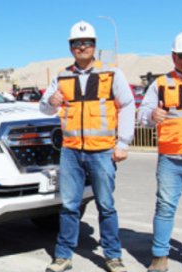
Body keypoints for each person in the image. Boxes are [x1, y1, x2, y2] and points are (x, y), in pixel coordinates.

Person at [39, 21, 135, 272]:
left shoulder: (111, 74)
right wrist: (52, 100)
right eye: (76, 44)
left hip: (102, 151)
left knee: (106, 205)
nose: (82, 47)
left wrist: (123, 143)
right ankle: (63, 256)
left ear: (94, 46)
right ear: (71, 47)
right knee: (69, 206)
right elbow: (44, 108)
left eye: (86, 43)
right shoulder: (62, 76)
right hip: (71, 151)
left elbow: (127, 106)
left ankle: (113, 256)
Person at [138, 31, 182, 272]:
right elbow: (142, 114)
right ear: (173, 56)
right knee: (165, 207)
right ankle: (159, 257)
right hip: (171, 157)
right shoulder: (160, 84)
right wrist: (150, 115)